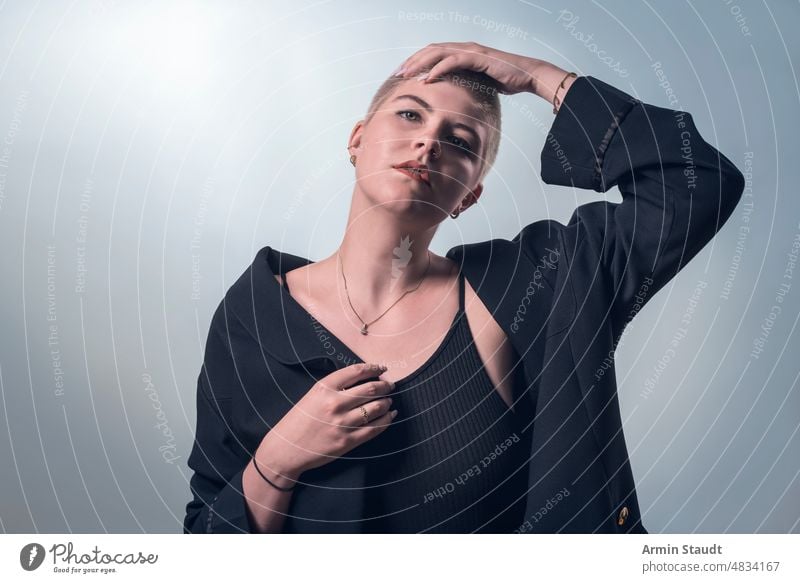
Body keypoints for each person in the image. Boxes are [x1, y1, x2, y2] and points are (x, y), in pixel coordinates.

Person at [183, 42, 745, 534]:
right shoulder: (255, 317)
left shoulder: (536, 284)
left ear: (470, 196)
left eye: (461, 141)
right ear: (357, 140)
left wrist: (536, 75)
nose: (429, 144)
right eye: (409, 115)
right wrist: (277, 462)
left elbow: (697, 186)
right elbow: (206, 529)